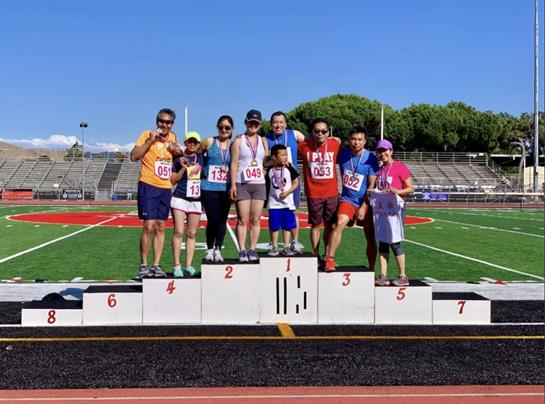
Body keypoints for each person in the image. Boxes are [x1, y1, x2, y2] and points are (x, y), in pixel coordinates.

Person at [130, 108, 178, 279]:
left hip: (165, 187)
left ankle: (156, 265)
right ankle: (143, 265)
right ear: (157, 121)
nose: (164, 125)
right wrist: (150, 141)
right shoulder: (146, 134)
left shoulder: (173, 138)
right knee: (148, 225)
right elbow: (133, 156)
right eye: (161, 121)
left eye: (168, 122)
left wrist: (176, 150)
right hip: (148, 184)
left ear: (172, 124)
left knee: (161, 226)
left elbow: (177, 157)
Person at [327, 127, 378, 272]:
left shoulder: (371, 158)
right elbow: (328, 145)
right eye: (353, 139)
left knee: (370, 236)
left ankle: (372, 269)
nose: (356, 142)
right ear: (349, 140)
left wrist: (364, 206)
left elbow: (372, 184)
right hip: (347, 199)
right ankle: (329, 259)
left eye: (360, 139)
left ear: (365, 141)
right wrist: (332, 138)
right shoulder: (343, 153)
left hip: (365, 202)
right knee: (339, 224)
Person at [297, 118, 341, 267]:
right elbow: (291, 137)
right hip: (314, 194)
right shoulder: (304, 146)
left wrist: (332, 138)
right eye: (317, 131)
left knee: (330, 226)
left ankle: (327, 256)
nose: (320, 134)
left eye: (324, 131)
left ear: (328, 132)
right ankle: (315, 256)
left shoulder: (335, 144)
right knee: (315, 225)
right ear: (311, 132)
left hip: (331, 193)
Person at [370, 139, 414, 286]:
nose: (382, 154)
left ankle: (403, 275)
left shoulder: (399, 167)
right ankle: (383, 275)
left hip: (395, 210)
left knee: (395, 243)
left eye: (385, 150)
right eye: (380, 151)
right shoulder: (380, 171)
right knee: (383, 242)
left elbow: (410, 188)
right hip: (383, 211)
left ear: (391, 151)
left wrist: (398, 191)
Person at [229, 109, 270, 262]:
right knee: (242, 219)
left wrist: (273, 161)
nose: (253, 125)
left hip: (259, 183)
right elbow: (233, 164)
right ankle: (242, 250)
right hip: (242, 183)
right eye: (250, 122)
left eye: (256, 123)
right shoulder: (239, 141)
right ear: (246, 123)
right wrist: (233, 185)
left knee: (256, 219)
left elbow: (265, 161)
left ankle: (252, 249)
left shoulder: (263, 141)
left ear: (259, 124)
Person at [265, 111, 305, 254]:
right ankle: (274, 244)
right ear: (271, 124)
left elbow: (312, 140)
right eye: (275, 122)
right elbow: (264, 160)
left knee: (294, 212)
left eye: (281, 122)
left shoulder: (294, 134)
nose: (278, 125)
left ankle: (294, 242)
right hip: (276, 177)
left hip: (290, 178)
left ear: (286, 124)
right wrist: (276, 160)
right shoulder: (266, 139)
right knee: (275, 214)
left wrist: (331, 138)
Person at [198, 115, 233, 262]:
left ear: (232, 129)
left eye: (227, 128)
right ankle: (209, 248)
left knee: (222, 220)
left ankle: (218, 248)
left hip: (225, 188)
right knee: (213, 219)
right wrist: (201, 170)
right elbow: (197, 155)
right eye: (221, 127)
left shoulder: (234, 145)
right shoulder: (209, 141)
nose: (224, 130)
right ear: (217, 127)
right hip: (209, 186)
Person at [170, 131, 203, 277]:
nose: (192, 144)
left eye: (195, 142)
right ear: (185, 143)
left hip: (196, 199)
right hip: (180, 198)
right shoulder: (178, 159)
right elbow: (172, 180)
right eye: (189, 141)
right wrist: (183, 167)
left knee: (192, 233)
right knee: (178, 232)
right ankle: (176, 265)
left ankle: (188, 265)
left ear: (198, 144)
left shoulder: (201, 157)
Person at [267, 144, 300, 256]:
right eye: (282, 155)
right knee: (274, 226)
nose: (285, 157)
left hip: (287, 204)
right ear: (274, 157)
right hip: (273, 204)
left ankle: (286, 246)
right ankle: (274, 246)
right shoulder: (270, 171)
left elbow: (296, 183)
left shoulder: (290, 169)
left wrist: (287, 192)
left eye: (286, 155)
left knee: (287, 226)